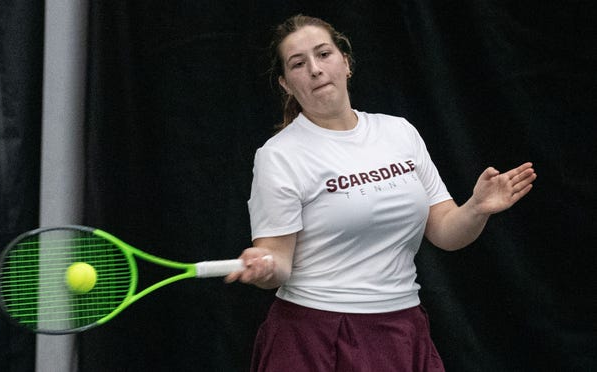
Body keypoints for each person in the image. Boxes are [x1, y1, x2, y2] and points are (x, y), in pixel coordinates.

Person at [225, 14, 537, 372]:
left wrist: (477, 208)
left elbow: (446, 231)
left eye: (324, 54)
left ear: (346, 61)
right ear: (285, 83)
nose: (315, 69)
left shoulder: (399, 132)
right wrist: (264, 266)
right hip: (314, 338)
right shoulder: (279, 155)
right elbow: (277, 262)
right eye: (298, 63)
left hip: (403, 329)